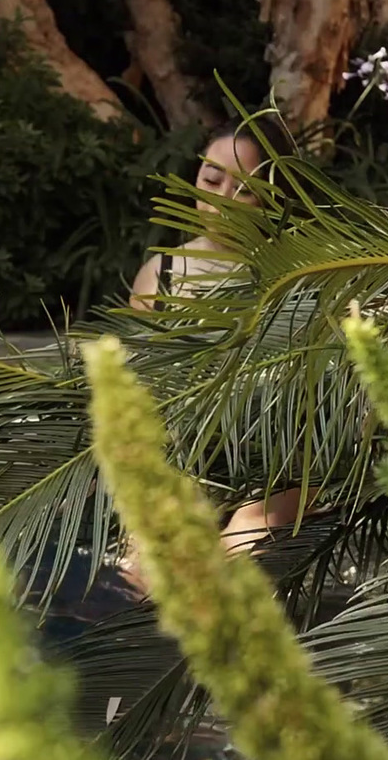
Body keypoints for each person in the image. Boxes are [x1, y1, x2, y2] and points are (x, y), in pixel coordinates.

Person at [118, 116, 316, 592]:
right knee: (145, 573)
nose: (220, 199)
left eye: (244, 189)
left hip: (273, 462)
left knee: (230, 566)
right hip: (183, 459)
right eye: (211, 179)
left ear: (273, 197)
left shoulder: (297, 275)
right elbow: (135, 394)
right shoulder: (160, 274)